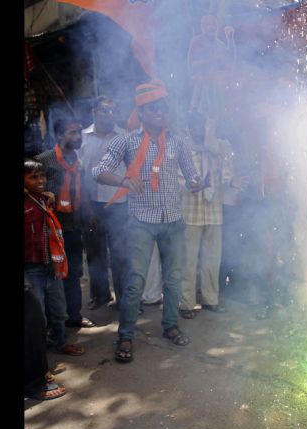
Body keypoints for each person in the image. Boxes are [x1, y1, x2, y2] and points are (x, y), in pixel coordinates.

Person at [93, 80, 203, 363]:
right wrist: (125, 180)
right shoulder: (126, 140)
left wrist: (195, 182)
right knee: (134, 283)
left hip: (174, 221)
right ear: (140, 112)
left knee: (174, 279)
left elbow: (191, 174)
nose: (159, 112)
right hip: (141, 222)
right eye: (152, 108)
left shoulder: (178, 140)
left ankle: (170, 326)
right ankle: (126, 335)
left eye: (162, 107)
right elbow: (99, 170)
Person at [178, 111, 247, 318]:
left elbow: (227, 172)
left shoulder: (219, 148)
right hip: (191, 211)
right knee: (188, 261)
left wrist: (231, 181)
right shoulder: (183, 148)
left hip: (214, 211)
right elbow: (177, 176)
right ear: (189, 128)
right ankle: (186, 303)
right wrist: (190, 183)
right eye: (196, 126)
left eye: (205, 127)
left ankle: (210, 300)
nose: (201, 130)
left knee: (212, 260)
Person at [35, 117, 97, 329]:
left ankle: (74, 316)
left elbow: (84, 190)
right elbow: (32, 189)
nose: (78, 137)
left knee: (74, 272)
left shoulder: (77, 161)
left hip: (73, 228)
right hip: (50, 229)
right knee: (52, 275)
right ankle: (53, 323)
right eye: (72, 133)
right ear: (60, 135)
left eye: (79, 132)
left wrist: (89, 215)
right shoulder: (44, 160)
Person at [24, 159, 85, 357]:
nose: (40, 180)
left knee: (59, 308)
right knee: (38, 314)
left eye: (41, 176)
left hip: (52, 264)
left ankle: (60, 342)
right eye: (33, 177)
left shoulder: (44, 199)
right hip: (32, 267)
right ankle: (39, 357)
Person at [79, 95, 128, 310]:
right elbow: (79, 175)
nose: (109, 115)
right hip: (92, 203)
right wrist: (86, 206)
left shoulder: (125, 137)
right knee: (95, 251)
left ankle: (123, 297)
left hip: (120, 203)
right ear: (94, 113)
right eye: (104, 111)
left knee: (120, 253)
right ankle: (100, 295)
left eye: (113, 111)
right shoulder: (82, 138)